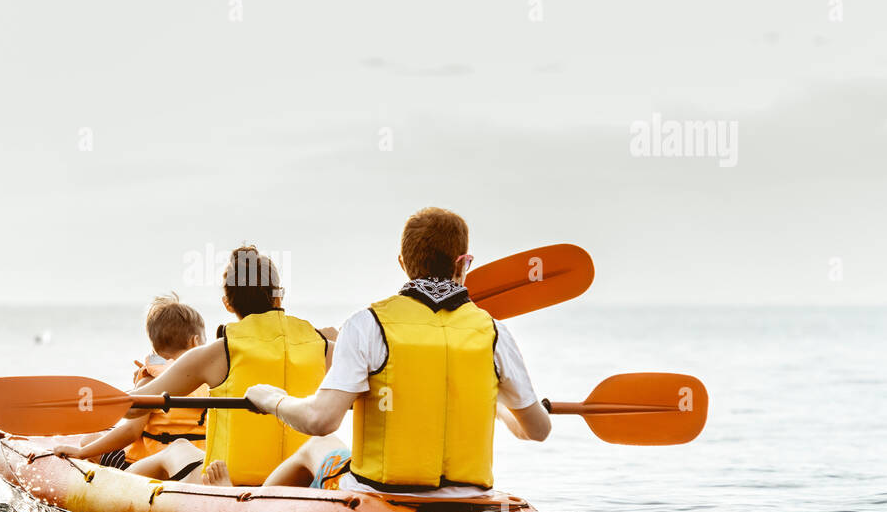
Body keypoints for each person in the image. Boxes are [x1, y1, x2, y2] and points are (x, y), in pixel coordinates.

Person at [213, 208, 551, 495]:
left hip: (381, 496)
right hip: (470, 497)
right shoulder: (494, 332)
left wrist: (271, 399)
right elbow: (537, 430)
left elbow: (320, 420)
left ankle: (243, 504)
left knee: (317, 446)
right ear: (464, 263)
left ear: (402, 263)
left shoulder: (369, 324)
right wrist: (498, 406)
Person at [112, 245, 334, 485]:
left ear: (228, 303)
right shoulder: (325, 347)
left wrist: (136, 388)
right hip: (299, 474)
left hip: (231, 480)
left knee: (179, 447)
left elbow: (132, 409)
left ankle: (112, 487)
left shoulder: (216, 353)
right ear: (279, 295)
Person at [52, 293, 209, 474]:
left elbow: (130, 432)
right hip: (196, 460)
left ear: (154, 346)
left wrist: (82, 452)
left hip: (146, 464)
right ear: (195, 341)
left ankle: (100, 479)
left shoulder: (151, 378)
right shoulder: (210, 379)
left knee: (88, 439)